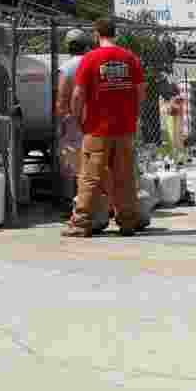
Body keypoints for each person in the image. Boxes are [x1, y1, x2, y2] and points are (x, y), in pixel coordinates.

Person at [63, 19, 146, 238]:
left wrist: (78, 118)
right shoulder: (130, 58)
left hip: (97, 130)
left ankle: (81, 224)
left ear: (96, 34)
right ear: (114, 33)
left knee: (89, 178)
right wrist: (133, 117)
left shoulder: (90, 59)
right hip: (124, 130)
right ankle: (128, 223)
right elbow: (140, 92)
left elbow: (78, 94)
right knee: (125, 177)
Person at [57, 29, 89, 211]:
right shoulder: (93, 63)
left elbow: (62, 97)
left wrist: (61, 119)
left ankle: (70, 203)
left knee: (69, 161)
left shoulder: (67, 67)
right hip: (93, 118)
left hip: (72, 120)